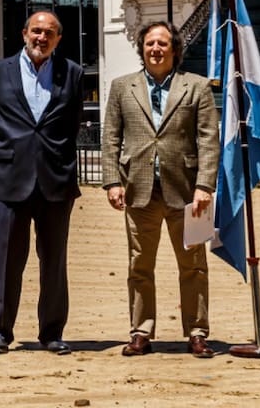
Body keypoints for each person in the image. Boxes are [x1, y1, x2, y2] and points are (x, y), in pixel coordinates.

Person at [101, 21, 220, 358]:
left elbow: (209, 140)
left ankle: (197, 332)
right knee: (139, 265)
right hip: (139, 191)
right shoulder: (122, 87)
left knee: (194, 264)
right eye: (150, 43)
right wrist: (112, 181)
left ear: (174, 49)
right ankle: (141, 331)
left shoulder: (196, 87)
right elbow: (110, 137)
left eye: (162, 44)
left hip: (188, 194)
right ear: (142, 48)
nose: (155, 49)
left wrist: (204, 186)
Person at [0, 10, 83, 355]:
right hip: (9, 179)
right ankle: (0, 331)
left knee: (55, 261)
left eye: (49, 33)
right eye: (36, 31)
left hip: (55, 180)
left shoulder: (73, 73)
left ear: (58, 39)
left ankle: (51, 332)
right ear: (24, 33)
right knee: (7, 259)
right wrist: (10, 151)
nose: (41, 38)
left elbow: (73, 121)